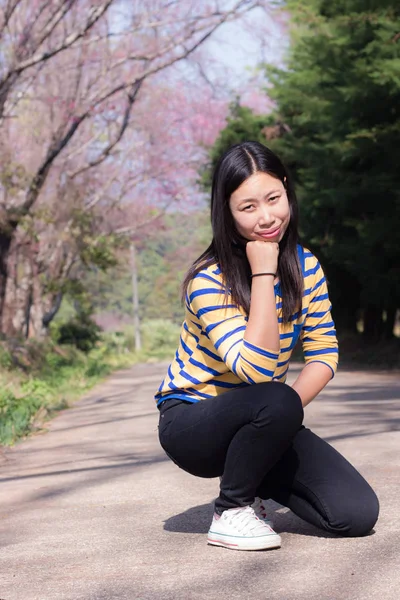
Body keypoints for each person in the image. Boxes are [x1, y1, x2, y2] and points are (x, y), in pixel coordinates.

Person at [155, 141, 379, 551]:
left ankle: (252, 471)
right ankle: (232, 508)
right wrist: (263, 272)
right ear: (226, 212)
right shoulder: (209, 281)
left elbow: (324, 351)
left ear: (286, 190)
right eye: (248, 207)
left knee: (356, 514)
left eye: (273, 199)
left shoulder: (305, 265)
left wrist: (281, 415)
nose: (266, 217)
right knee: (272, 397)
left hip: (265, 413)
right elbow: (256, 372)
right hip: (192, 422)